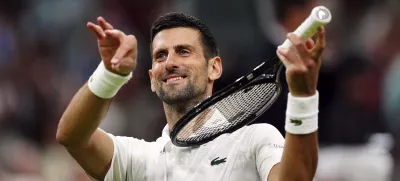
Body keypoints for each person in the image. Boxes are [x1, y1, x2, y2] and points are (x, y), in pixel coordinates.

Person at [56, 12, 325, 181]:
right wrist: (109, 76)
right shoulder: (139, 159)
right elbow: (72, 136)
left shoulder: (255, 140)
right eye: (161, 55)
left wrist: (303, 97)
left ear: (214, 68)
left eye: (184, 51)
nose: (170, 62)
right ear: (152, 78)